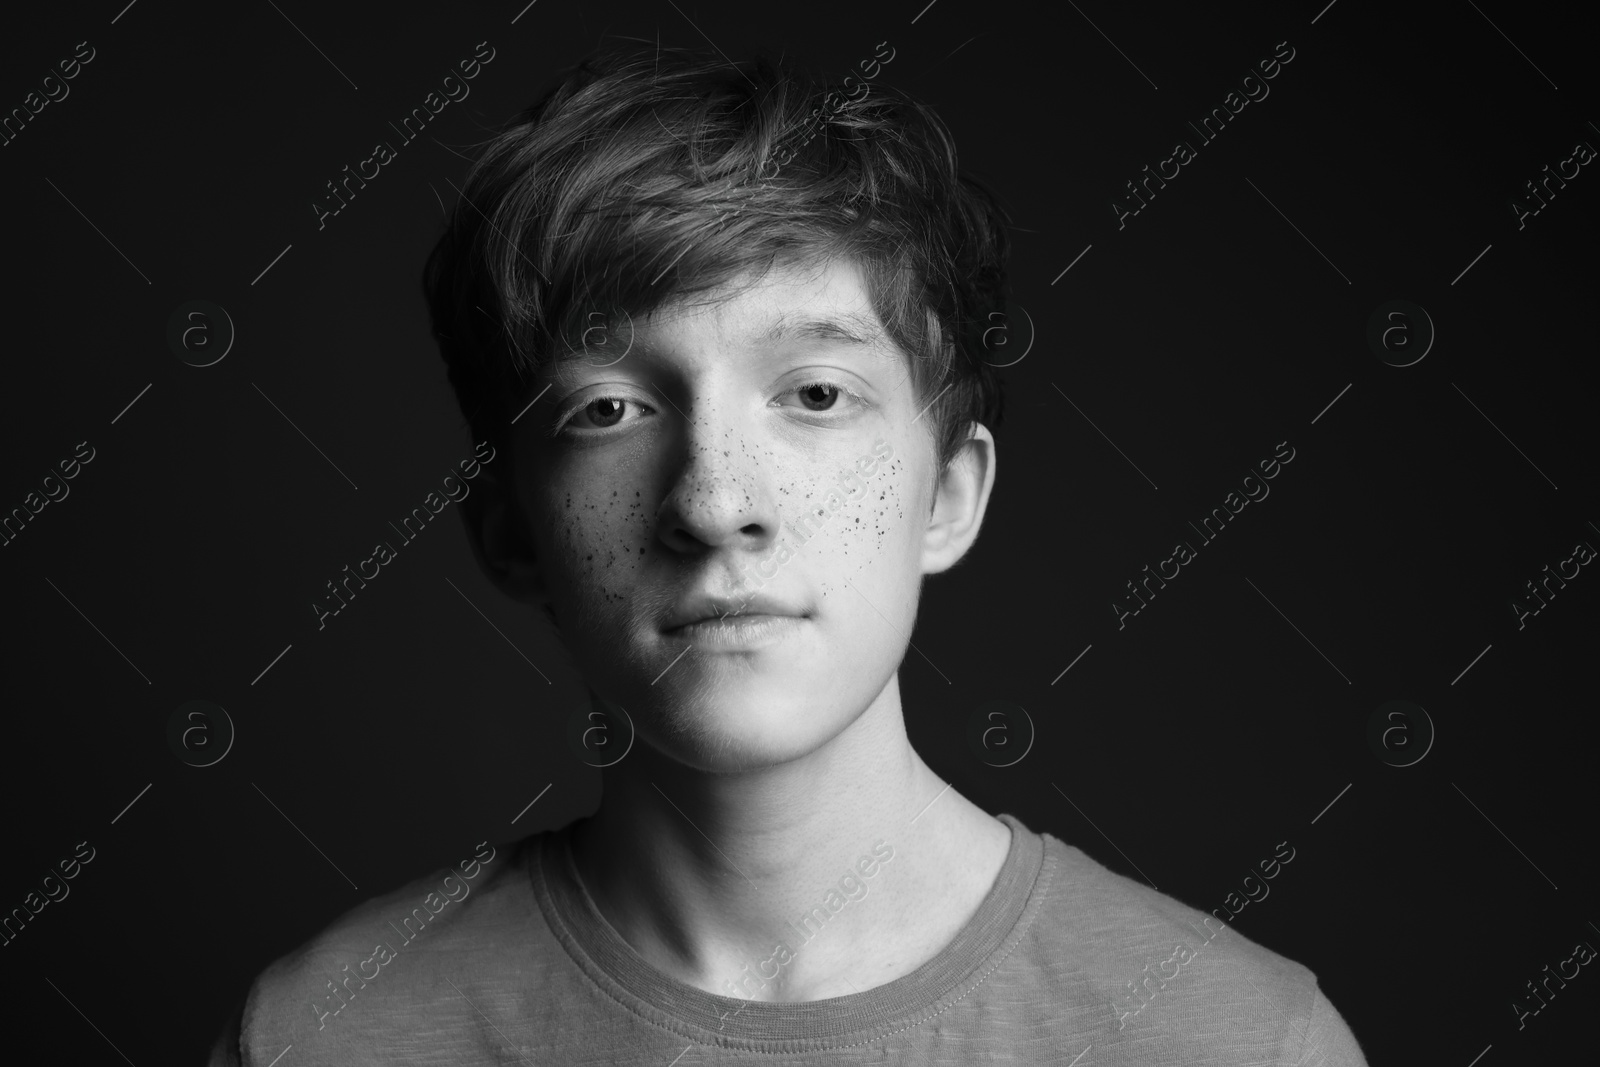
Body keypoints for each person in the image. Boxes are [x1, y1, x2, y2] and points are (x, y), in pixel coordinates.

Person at [209, 44, 1368, 1065]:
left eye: (815, 392)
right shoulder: (325, 1033)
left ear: (948, 496)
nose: (715, 502)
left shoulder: (1235, 1039)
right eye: (609, 411)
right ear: (509, 529)